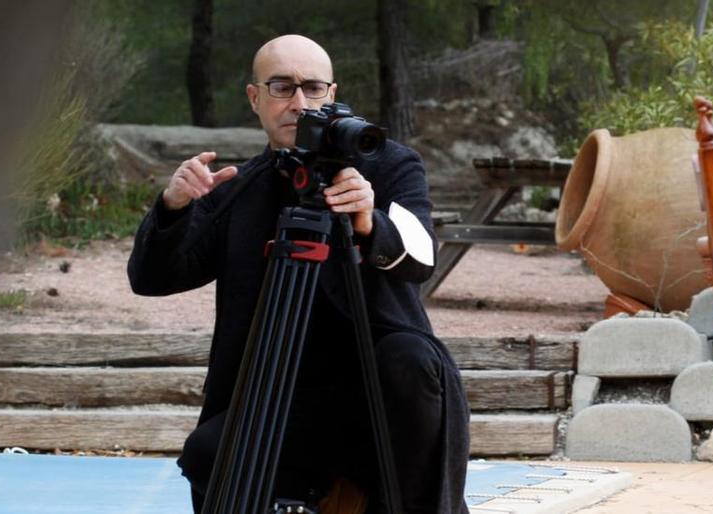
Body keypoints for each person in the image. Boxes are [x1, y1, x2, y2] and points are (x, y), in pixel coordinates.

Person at [127, 34, 469, 514]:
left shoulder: (388, 164)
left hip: (381, 393)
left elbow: (421, 259)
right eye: (282, 87)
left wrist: (370, 222)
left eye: (312, 88)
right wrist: (174, 206)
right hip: (282, 399)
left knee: (411, 359)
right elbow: (152, 278)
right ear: (255, 98)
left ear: (332, 92)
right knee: (208, 453)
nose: (299, 103)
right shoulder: (241, 185)